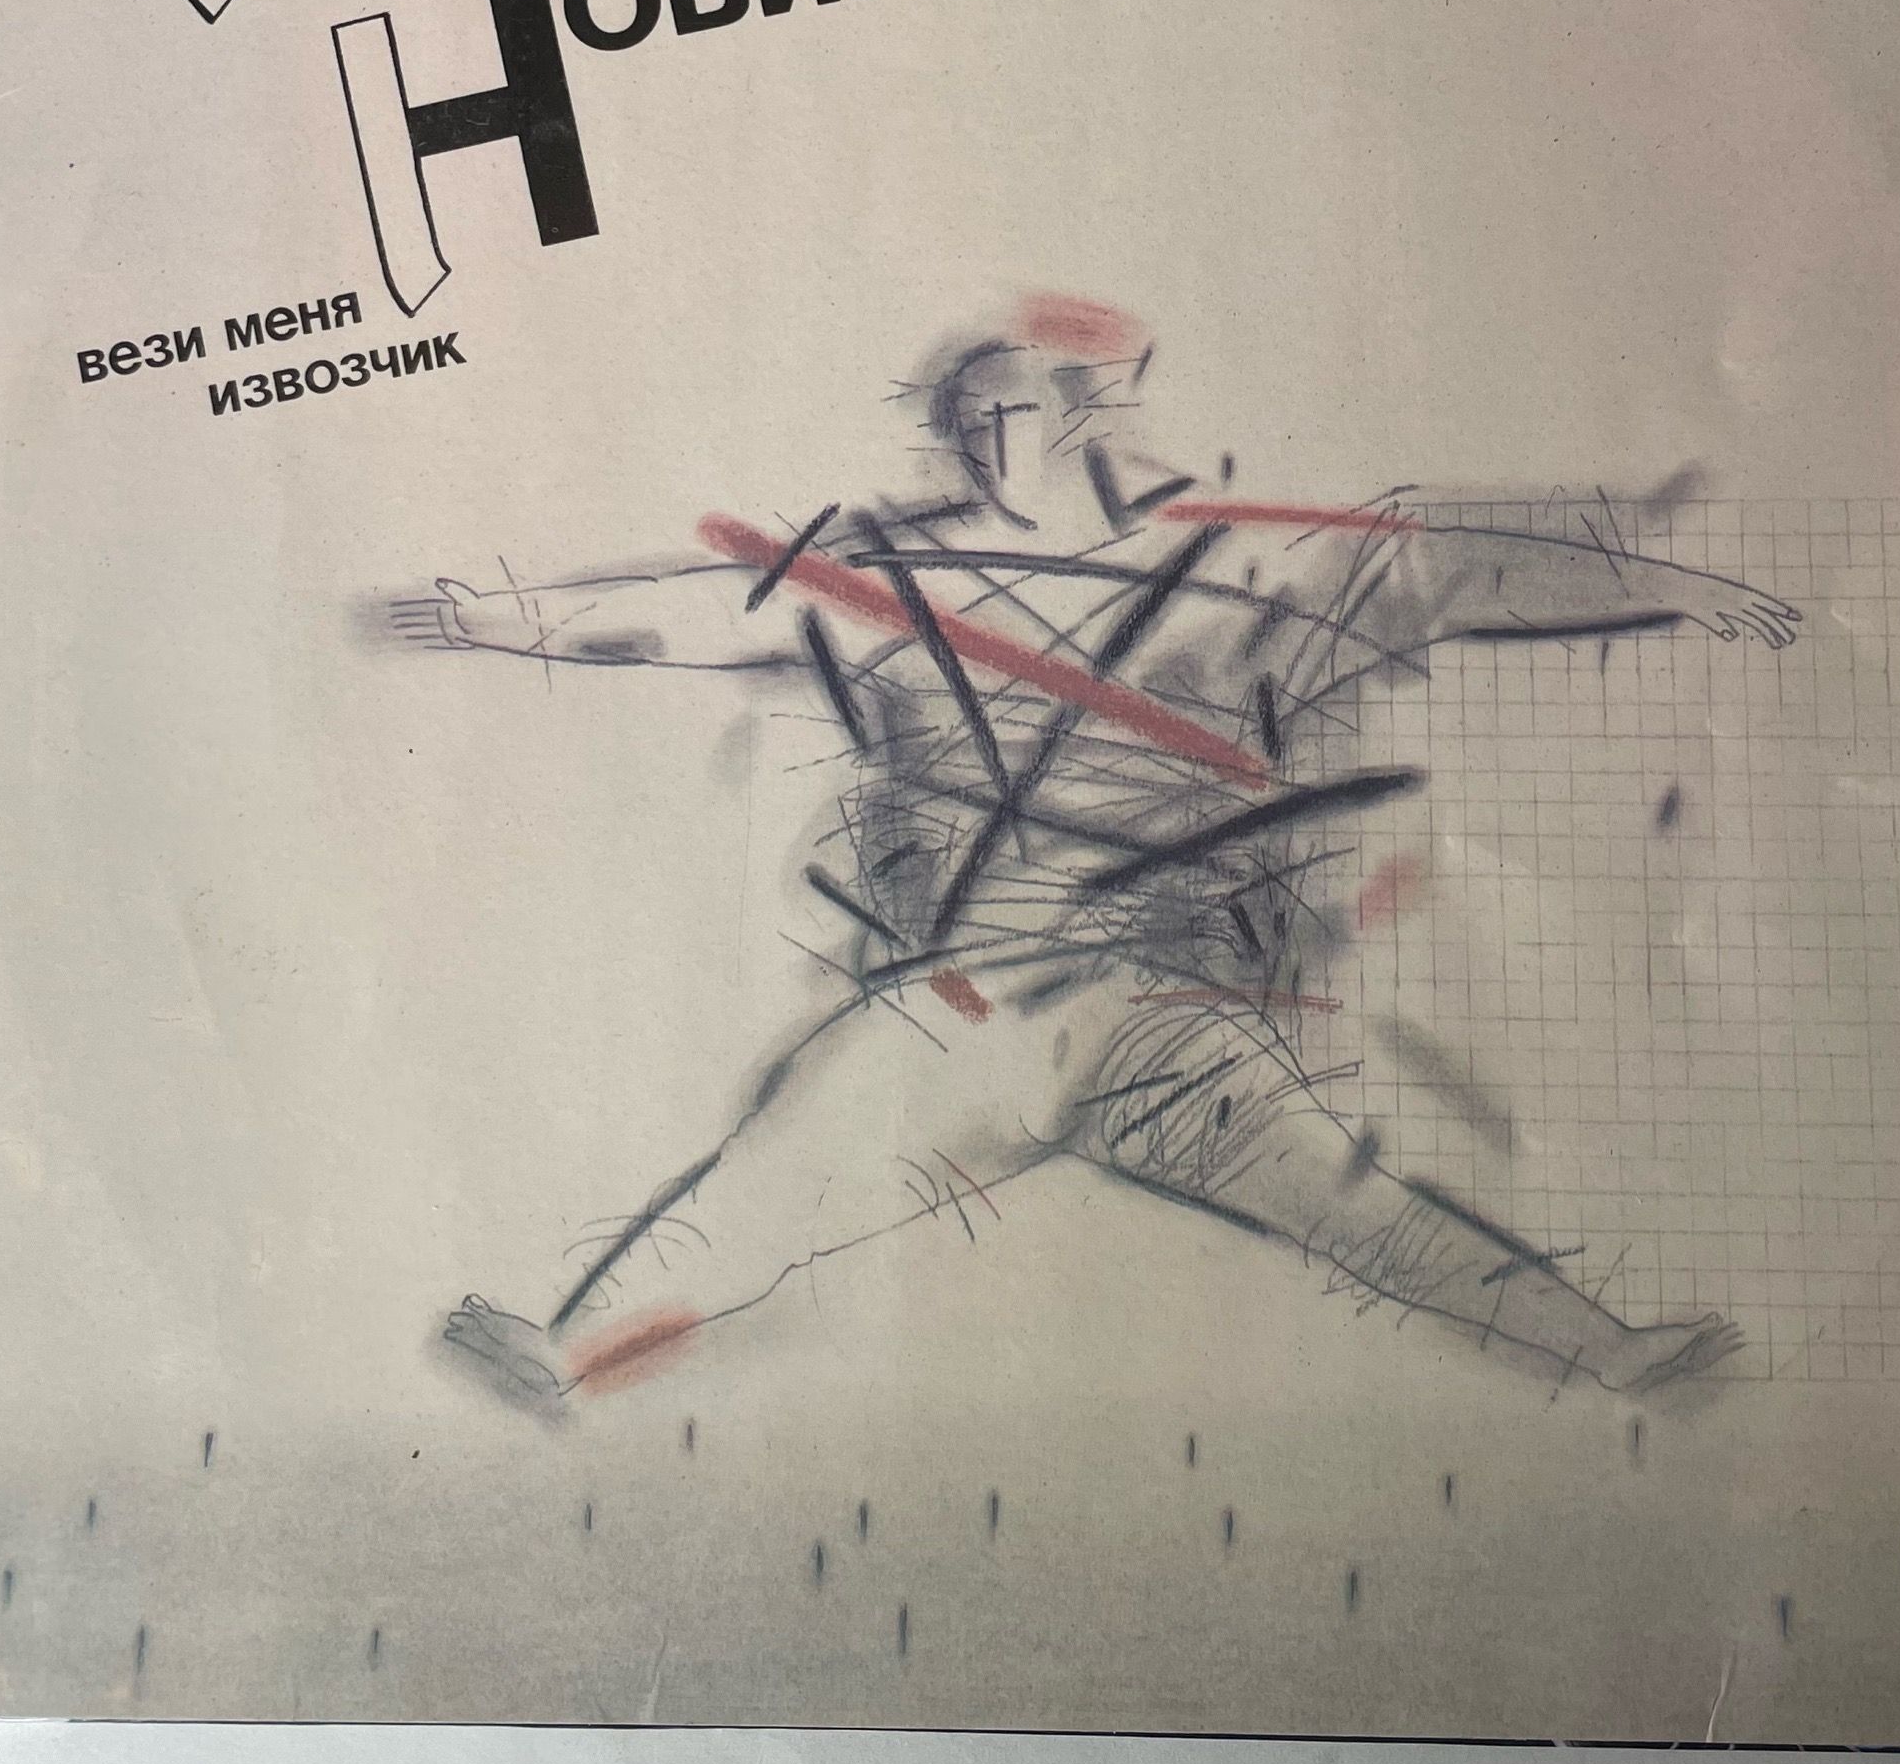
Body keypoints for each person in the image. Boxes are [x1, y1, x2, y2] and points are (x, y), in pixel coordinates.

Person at [415, 300, 1800, 1406]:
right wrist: (504, 617)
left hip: (1163, 1022)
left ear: (1087, 418)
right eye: (974, 421)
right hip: (974, 1012)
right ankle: (563, 1357)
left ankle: (1611, 1352)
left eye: (1023, 410)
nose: (994, 442)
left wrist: (1654, 581)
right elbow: (695, 611)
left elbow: (1436, 567)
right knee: (772, 1180)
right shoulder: (883, 589)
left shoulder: (1235, 573)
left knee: (1360, 1205)